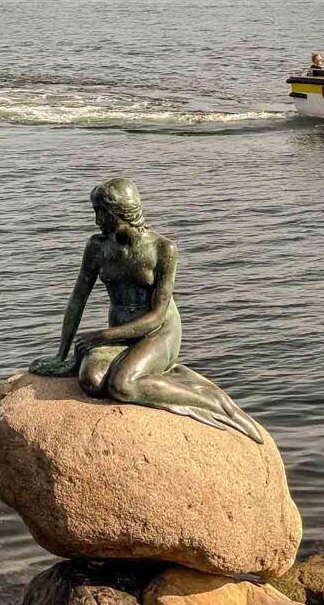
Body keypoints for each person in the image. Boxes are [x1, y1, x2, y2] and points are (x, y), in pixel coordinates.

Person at [30, 178, 261, 441]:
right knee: (91, 382)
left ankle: (214, 403)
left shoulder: (162, 249)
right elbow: (77, 299)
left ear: (123, 211)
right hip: (121, 334)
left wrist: (102, 336)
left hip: (158, 333)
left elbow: (157, 316)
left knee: (122, 385)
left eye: (102, 213)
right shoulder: (97, 247)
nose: (96, 221)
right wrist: (62, 355)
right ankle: (155, 374)